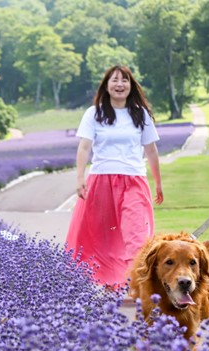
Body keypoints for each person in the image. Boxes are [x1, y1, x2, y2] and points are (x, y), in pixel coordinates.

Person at [65, 65, 163, 289]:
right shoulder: (95, 113)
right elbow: (84, 147)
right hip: (101, 180)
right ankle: (110, 282)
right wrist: (80, 177)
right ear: (106, 86)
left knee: (137, 233)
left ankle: (136, 285)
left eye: (125, 80)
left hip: (133, 181)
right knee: (104, 236)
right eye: (115, 80)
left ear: (131, 85)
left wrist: (158, 182)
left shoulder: (140, 114)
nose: (120, 84)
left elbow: (151, 151)